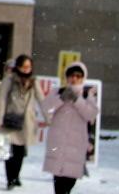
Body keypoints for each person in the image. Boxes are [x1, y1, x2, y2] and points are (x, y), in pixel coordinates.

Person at [0, 54, 47, 190]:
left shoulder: (34, 81)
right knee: (9, 151)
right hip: (10, 119)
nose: (26, 69)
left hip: (26, 121)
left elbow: (42, 99)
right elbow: (1, 99)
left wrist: (49, 117)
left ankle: (16, 176)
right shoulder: (9, 80)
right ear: (18, 67)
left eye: (28, 66)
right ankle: (10, 179)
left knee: (20, 151)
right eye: (23, 66)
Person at [43, 62, 98, 194]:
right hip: (58, 141)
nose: (74, 78)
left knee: (70, 180)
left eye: (78, 76)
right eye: (71, 75)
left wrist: (77, 100)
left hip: (76, 144)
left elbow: (91, 114)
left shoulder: (87, 94)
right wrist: (62, 98)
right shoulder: (58, 91)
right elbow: (46, 109)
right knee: (58, 180)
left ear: (83, 78)